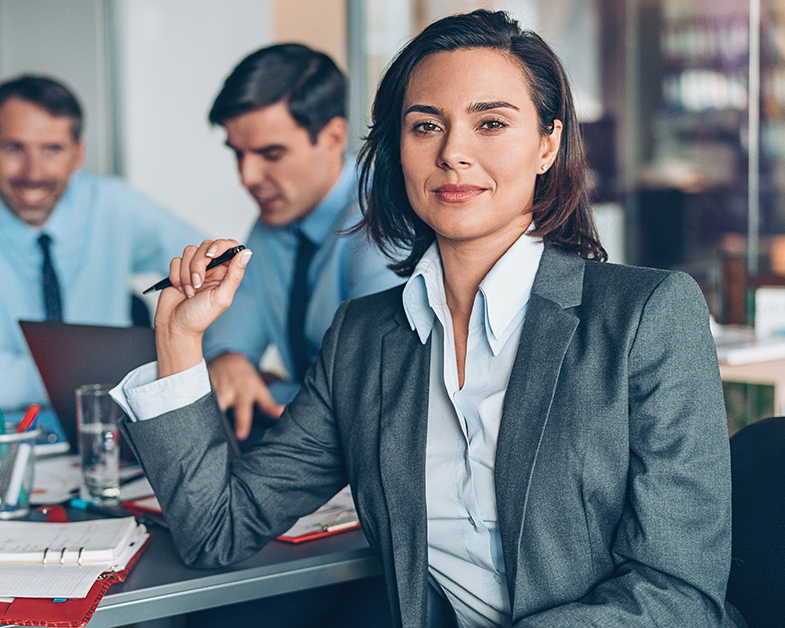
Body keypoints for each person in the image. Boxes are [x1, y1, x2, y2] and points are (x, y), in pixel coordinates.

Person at [113, 10, 737, 628]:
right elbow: (215, 532)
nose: (453, 154)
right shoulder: (363, 338)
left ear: (547, 143)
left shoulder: (648, 316)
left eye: (490, 123)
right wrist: (180, 338)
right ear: (396, 150)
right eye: (424, 127)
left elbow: (678, 595)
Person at [0, 75, 202, 415]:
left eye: (52, 150)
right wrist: (127, 369)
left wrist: (223, 357)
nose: (33, 172)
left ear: (77, 155)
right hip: (4, 439)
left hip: (110, 429)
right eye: (14, 148)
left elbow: (218, 263)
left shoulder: (114, 204)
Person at [202, 43, 403, 441]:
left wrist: (273, 389)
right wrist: (231, 360)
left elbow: (373, 392)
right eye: (238, 154)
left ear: (332, 137)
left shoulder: (384, 216)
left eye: (271, 154)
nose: (247, 177)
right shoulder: (272, 223)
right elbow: (230, 343)